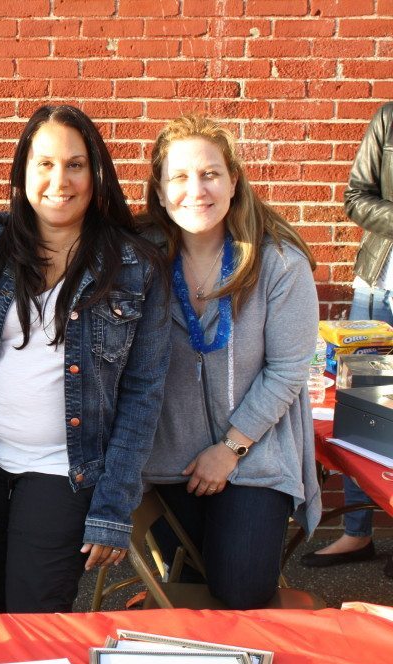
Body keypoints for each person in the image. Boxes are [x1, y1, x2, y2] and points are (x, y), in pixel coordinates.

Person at [0, 105, 169, 613]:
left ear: (96, 174)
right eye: (45, 164)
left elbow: (143, 392)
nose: (60, 181)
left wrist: (113, 507)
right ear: (22, 172)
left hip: (65, 470)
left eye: (75, 165)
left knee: (33, 617)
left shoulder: (135, 265)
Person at [142, 114, 322, 609]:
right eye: (179, 176)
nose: (195, 190)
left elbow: (287, 370)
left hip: (255, 453)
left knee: (241, 589)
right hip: (170, 459)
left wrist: (230, 448)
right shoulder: (141, 260)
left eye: (210, 174)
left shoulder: (280, 262)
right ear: (159, 191)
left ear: (234, 181)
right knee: (190, 583)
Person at [301, 102, 393, 578]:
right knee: (361, 410)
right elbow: (356, 197)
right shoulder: (389, 119)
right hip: (382, 291)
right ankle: (358, 532)